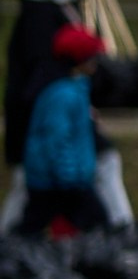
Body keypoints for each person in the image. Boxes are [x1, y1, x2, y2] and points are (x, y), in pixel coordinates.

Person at [7, 0, 88, 189]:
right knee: (31, 179)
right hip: (42, 104)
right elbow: (38, 64)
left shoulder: (66, 4)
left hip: (61, 101)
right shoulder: (40, 9)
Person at [19, 25, 110, 235]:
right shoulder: (63, 95)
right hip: (58, 180)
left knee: (36, 226)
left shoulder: (75, 88)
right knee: (97, 224)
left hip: (65, 178)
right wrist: (69, 178)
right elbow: (58, 139)